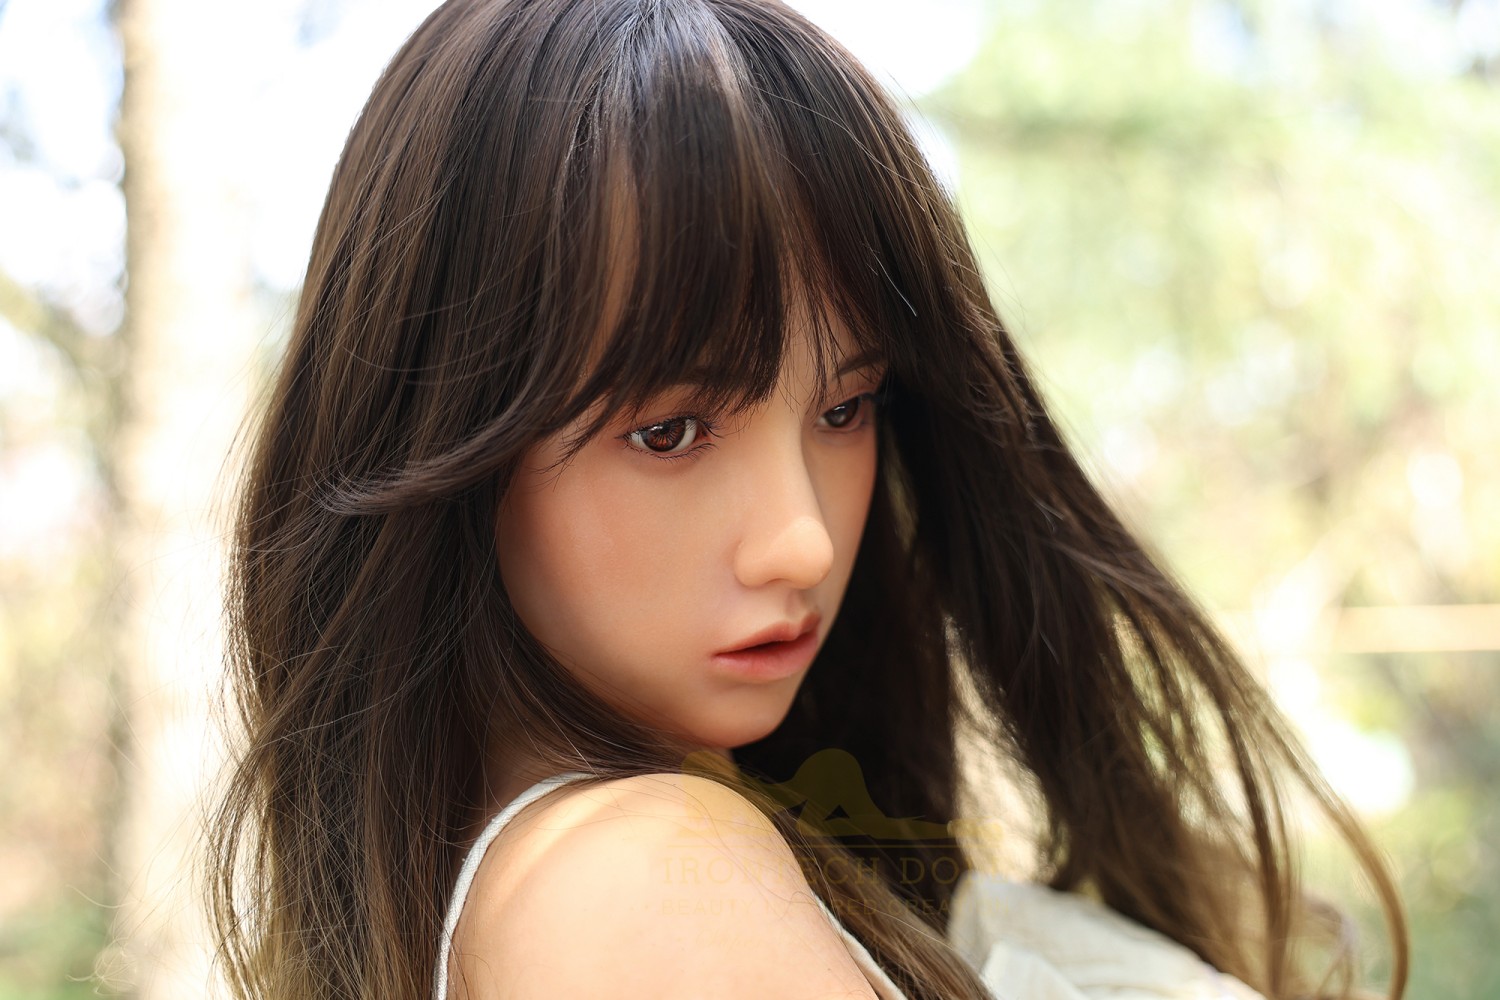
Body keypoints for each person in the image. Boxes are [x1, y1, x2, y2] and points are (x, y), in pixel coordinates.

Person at [206, 0, 1409, 998]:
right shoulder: (630, 879)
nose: (804, 540)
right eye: (670, 430)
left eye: (846, 408)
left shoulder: (610, 865)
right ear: (442, 437)